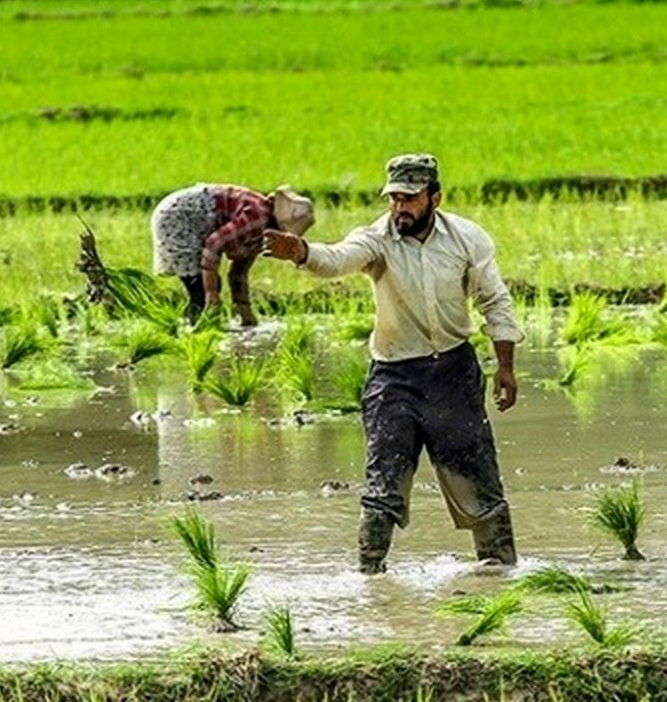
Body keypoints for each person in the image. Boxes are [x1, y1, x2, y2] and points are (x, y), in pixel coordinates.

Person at [263, 153, 523, 573]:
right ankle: (369, 579)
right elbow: (337, 258)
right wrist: (301, 252)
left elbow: (494, 300)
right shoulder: (378, 239)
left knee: (480, 484)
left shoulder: (466, 239)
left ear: (434, 198)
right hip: (394, 378)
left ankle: (502, 573)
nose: (399, 207)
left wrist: (506, 366)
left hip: (453, 374)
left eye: (410, 198)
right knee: (384, 485)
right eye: (394, 198)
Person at [151, 183, 315, 326]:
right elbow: (213, 244)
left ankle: (196, 330)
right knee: (200, 289)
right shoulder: (257, 217)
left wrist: (245, 311)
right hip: (179, 216)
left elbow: (239, 272)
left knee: (205, 285)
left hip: (188, 216)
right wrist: (212, 294)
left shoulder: (265, 233)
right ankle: (190, 335)